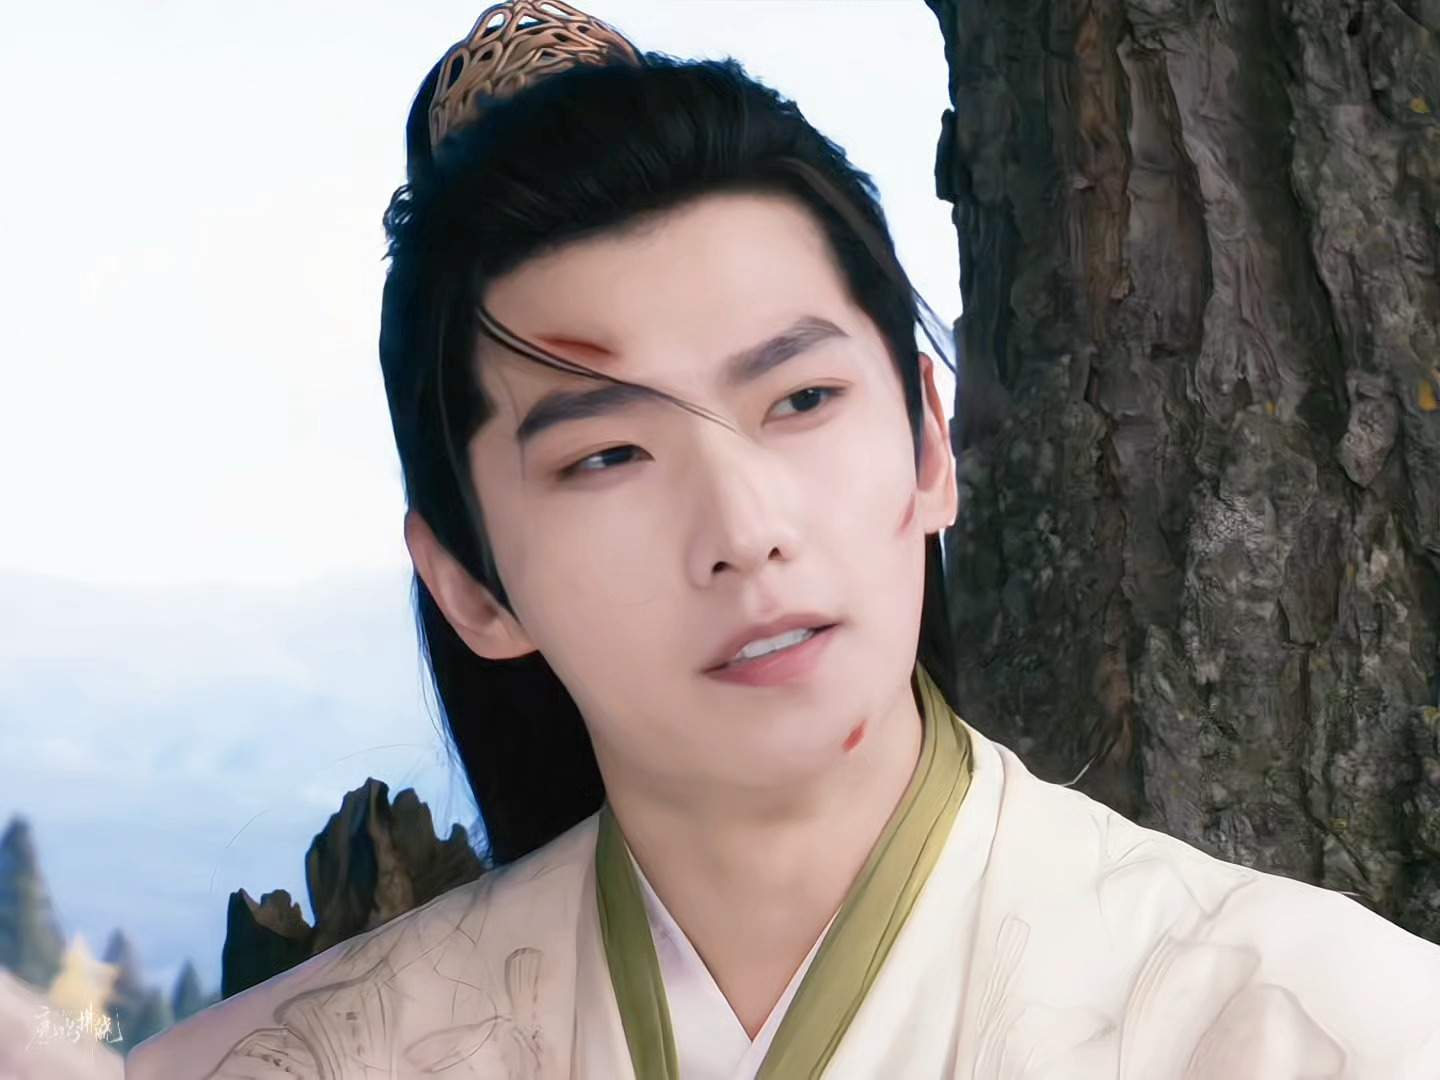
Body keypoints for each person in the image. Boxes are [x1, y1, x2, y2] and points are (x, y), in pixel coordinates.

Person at [127, 2, 1440, 1077]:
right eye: (607, 456)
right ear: (471, 584)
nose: (745, 532)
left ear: (929, 445)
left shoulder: (1329, 1028)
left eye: (802, 400)